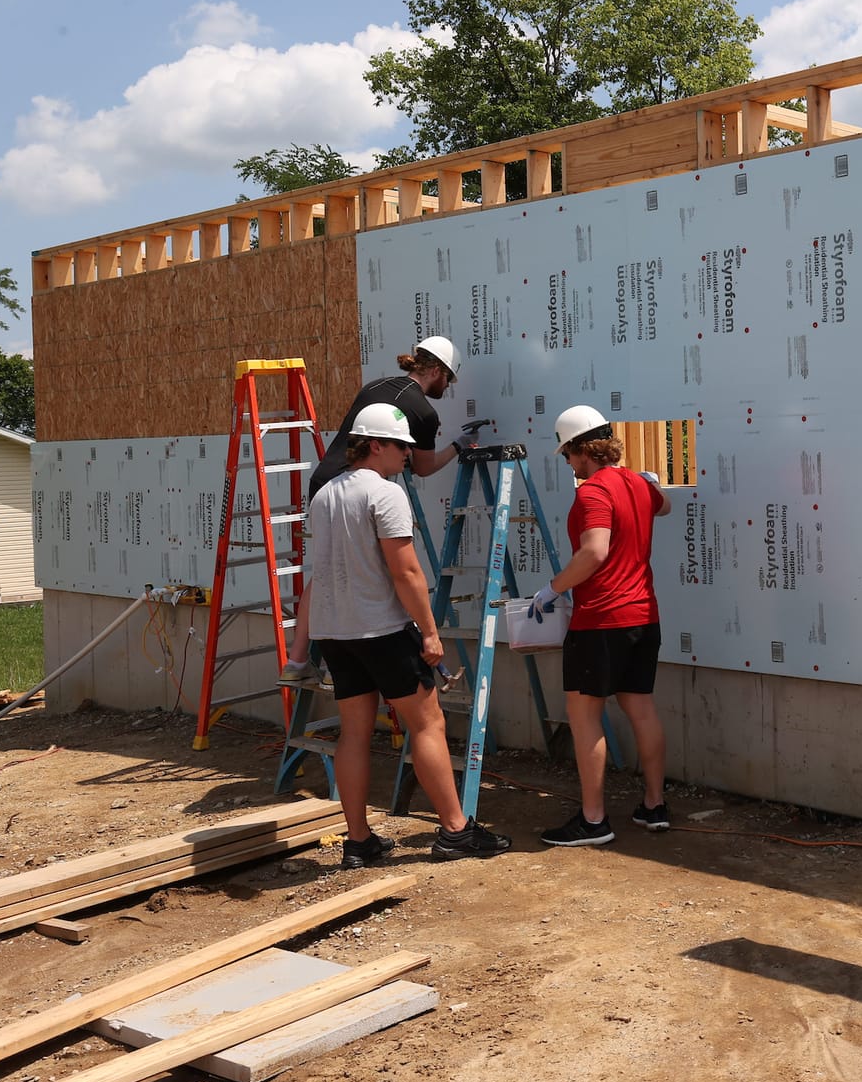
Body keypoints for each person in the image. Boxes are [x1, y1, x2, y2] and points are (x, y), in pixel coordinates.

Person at [306, 401, 511, 866]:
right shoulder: (384, 493)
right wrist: (431, 632)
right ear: (374, 445)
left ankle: (358, 842)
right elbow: (407, 572)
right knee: (428, 724)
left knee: (354, 733)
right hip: (381, 628)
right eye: (401, 447)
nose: (408, 456)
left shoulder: (325, 495)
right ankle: (456, 831)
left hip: (336, 633)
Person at [282, 335, 485, 679]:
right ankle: (336, 667)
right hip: (359, 488)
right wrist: (458, 446)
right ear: (435, 370)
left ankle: (297, 661)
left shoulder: (377, 386)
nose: (447, 386)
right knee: (364, 573)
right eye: (447, 378)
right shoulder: (423, 411)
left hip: (325, 484)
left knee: (327, 574)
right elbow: (422, 466)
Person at [529, 405, 673, 846]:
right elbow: (663, 505)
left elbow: (594, 552)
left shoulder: (592, 492)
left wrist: (553, 588)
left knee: (584, 716)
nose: (568, 464)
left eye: (566, 455)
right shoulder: (634, 484)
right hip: (643, 617)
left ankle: (593, 820)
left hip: (601, 621)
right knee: (642, 710)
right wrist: (652, 483)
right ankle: (654, 804)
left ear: (580, 450)